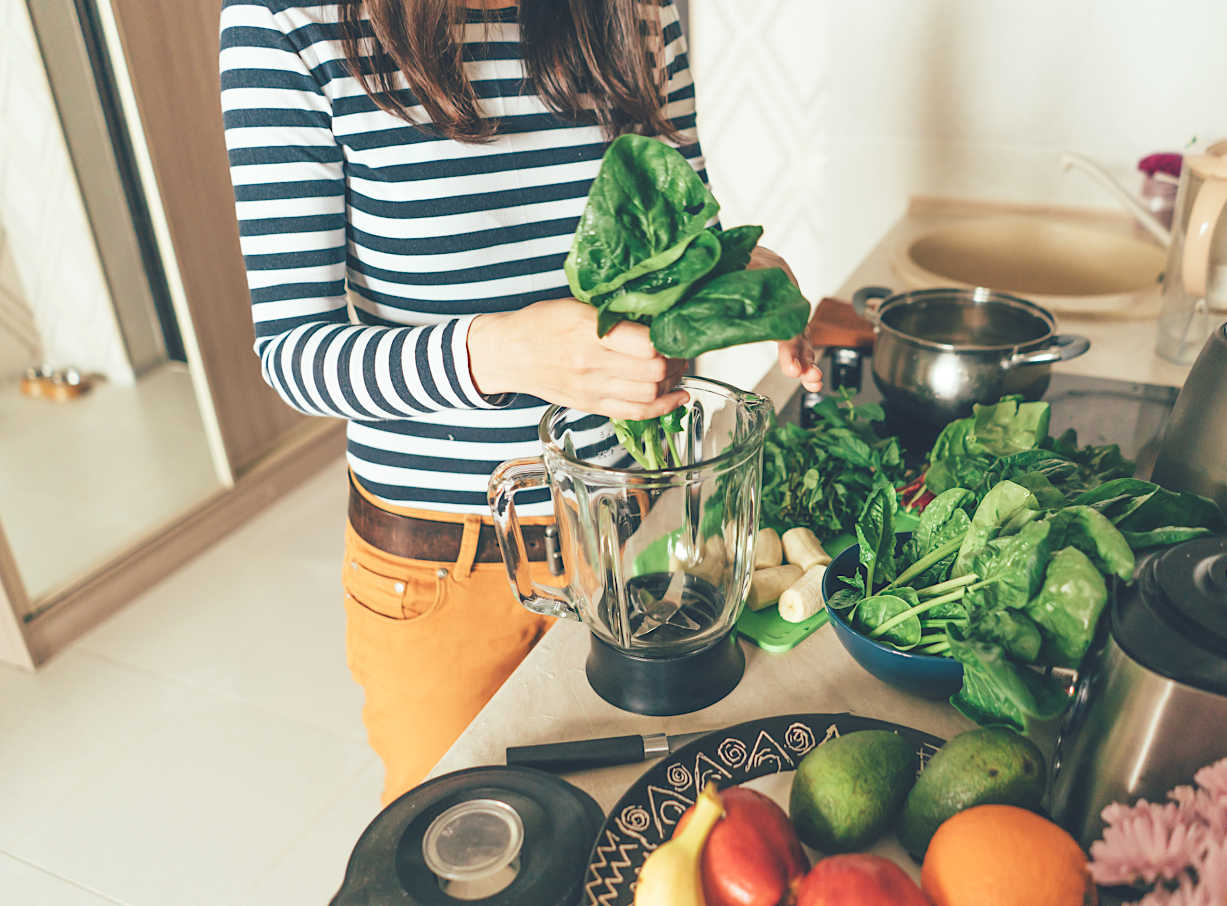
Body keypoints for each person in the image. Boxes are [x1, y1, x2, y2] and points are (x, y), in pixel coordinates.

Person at [219, 0, 822, 805]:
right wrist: (502, 352)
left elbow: (679, 236)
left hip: (635, 541)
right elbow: (293, 353)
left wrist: (741, 276)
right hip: (443, 576)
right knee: (467, 842)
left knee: (643, 825)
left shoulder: (636, 12)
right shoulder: (284, 22)